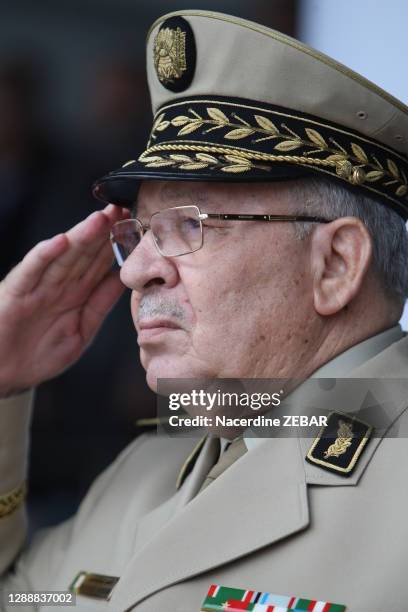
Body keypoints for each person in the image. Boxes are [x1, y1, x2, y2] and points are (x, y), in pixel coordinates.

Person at [1, 10, 408, 611]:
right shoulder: (144, 468)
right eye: (139, 234)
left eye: (190, 224)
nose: (137, 270)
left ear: (336, 264)